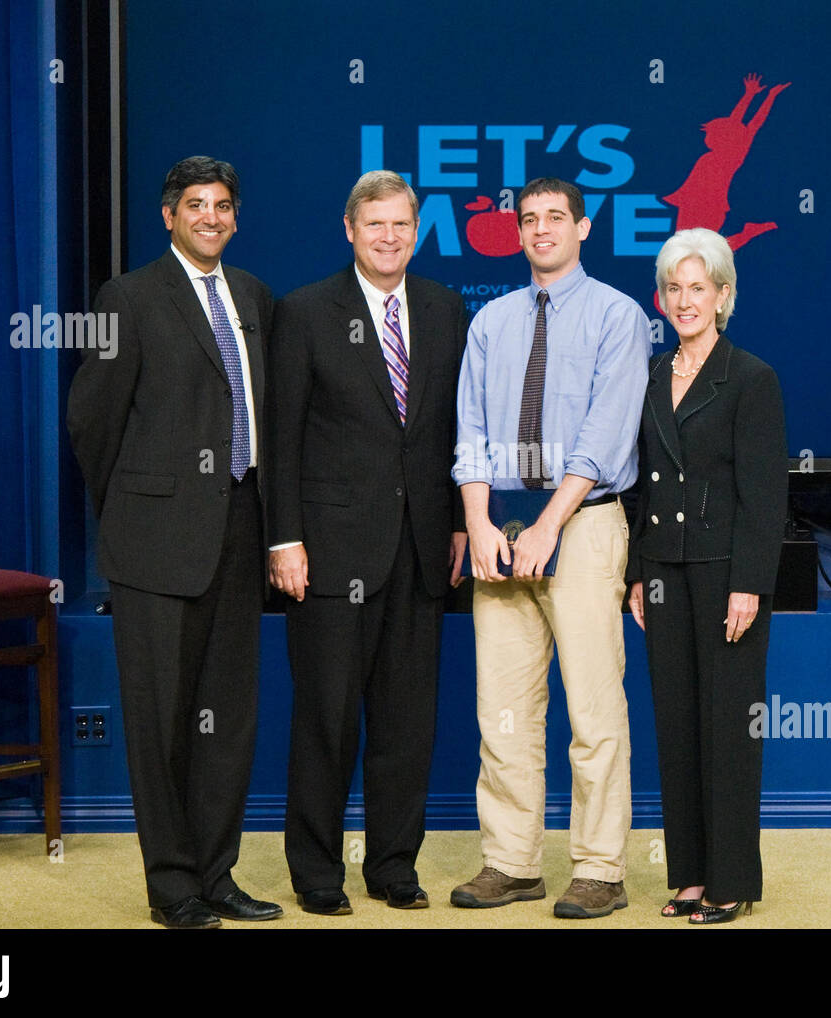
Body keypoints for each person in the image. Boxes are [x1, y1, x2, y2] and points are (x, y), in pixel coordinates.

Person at [67, 156, 283, 928]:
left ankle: (217, 875)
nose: (211, 218)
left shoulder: (254, 297)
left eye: (223, 205)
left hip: (238, 532)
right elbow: (91, 421)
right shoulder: (127, 298)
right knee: (160, 724)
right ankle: (173, 887)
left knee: (227, 719)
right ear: (169, 216)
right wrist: (133, 507)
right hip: (154, 544)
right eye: (196, 205)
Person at [266, 170, 468, 915]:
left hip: (419, 552)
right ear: (349, 229)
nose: (390, 238)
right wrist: (283, 539)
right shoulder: (306, 312)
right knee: (325, 719)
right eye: (375, 224)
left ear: (418, 232)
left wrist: (452, 522)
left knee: (406, 724)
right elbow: (280, 438)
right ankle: (317, 871)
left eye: (402, 225)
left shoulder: (447, 311)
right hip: (327, 554)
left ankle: (392, 865)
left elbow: (450, 431)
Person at [451, 177, 651, 919]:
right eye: (528, 219)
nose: (541, 229)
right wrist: (478, 523)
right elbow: (469, 431)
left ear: (583, 226)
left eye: (554, 218)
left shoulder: (617, 317)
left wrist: (549, 525)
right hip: (499, 533)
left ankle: (599, 869)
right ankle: (512, 862)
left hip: (587, 524)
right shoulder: (491, 323)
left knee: (594, 711)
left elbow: (606, 433)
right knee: (502, 710)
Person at [627, 227, 788, 924]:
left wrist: (749, 583)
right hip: (663, 575)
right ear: (660, 299)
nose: (686, 300)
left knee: (728, 730)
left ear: (723, 296)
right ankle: (689, 875)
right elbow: (640, 488)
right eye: (674, 288)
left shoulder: (751, 378)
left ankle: (730, 882)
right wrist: (637, 573)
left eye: (700, 288)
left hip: (728, 579)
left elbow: (764, 495)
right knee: (677, 725)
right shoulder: (651, 374)